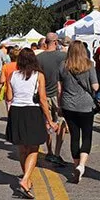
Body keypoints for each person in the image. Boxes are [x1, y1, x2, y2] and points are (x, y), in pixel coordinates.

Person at [6, 48, 58, 198]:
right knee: (34, 148)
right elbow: (42, 99)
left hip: (16, 111)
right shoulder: (38, 75)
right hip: (32, 111)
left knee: (22, 148)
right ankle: (25, 179)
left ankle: (26, 179)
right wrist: (49, 120)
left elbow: (9, 96)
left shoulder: (12, 75)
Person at [58, 40, 99, 183]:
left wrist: (59, 105)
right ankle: (81, 165)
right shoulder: (89, 65)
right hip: (86, 105)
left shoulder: (63, 66)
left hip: (68, 105)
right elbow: (95, 87)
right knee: (86, 136)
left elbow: (60, 88)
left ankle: (75, 165)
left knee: (74, 136)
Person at [37, 32, 68, 166]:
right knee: (61, 123)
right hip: (59, 94)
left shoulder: (39, 58)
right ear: (56, 42)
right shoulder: (64, 56)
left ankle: (49, 151)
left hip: (44, 95)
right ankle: (57, 152)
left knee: (47, 123)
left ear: (45, 43)